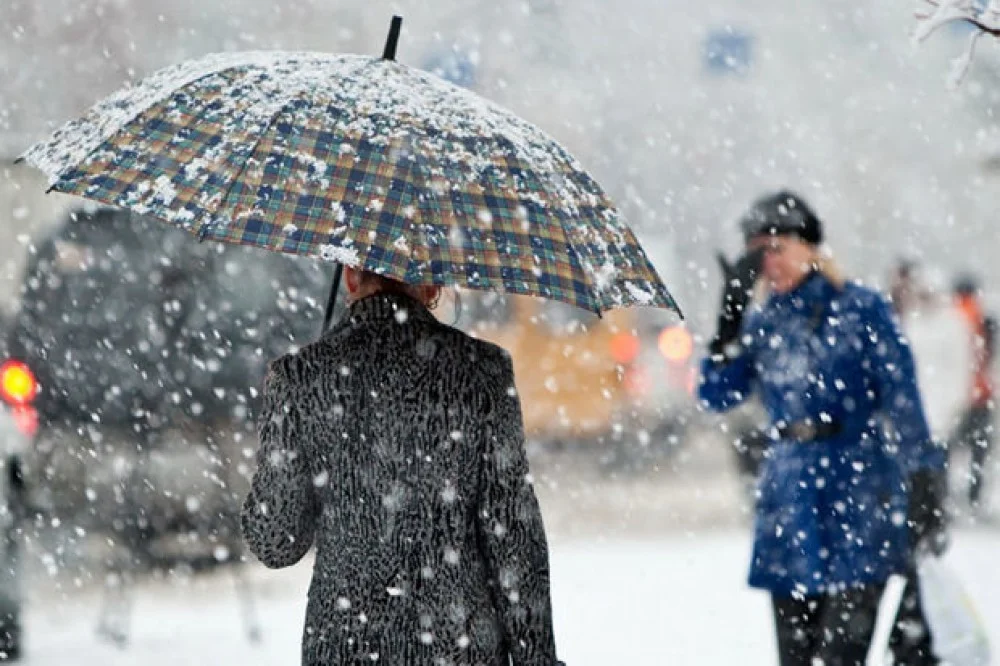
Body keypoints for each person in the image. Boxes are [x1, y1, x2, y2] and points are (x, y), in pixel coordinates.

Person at [241, 267, 563, 666]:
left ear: (351, 278)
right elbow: (512, 534)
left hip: (345, 649)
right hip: (461, 648)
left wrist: (295, 423)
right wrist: (538, 659)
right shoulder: (484, 371)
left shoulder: (298, 377)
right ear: (432, 286)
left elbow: (276, 542)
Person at [699, 190, 947, 666]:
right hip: (789, 497)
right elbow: (716, 395)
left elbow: (902, 397)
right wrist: (727, 324)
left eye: (777, 246)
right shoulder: (762, 320)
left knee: (841, 654)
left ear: (809, 246)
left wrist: (923, 476)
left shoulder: (860, 308)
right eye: (756, 251)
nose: (767, 260)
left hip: (858, 491)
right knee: (795, 656)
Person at [950, 275, 996, 509]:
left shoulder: (951, 317)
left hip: (954, 398)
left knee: (948, 450)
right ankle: (973, 498)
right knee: (978, 452)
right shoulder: (983, 318)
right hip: (981, 396)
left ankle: (941, 499)